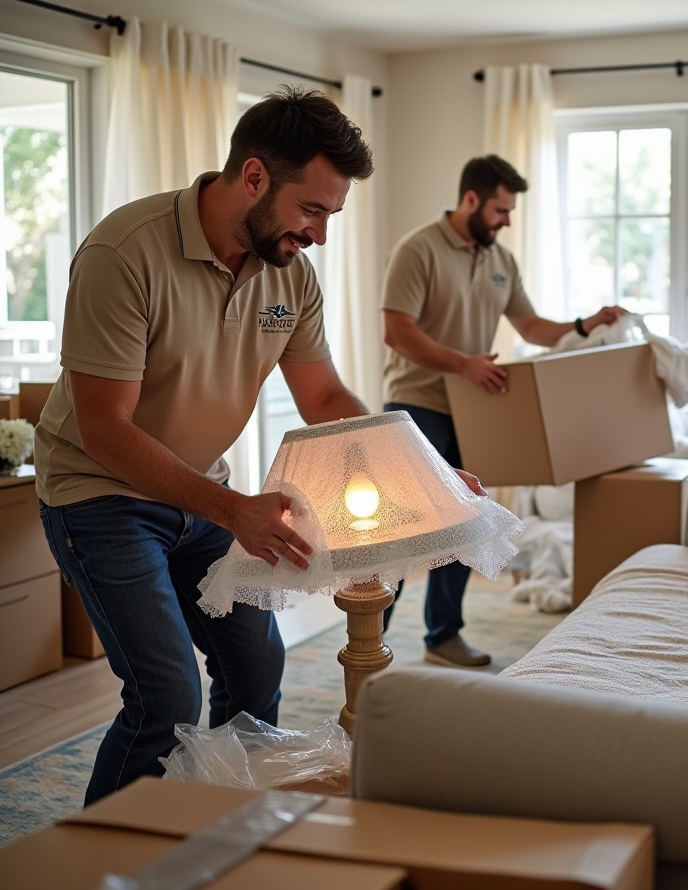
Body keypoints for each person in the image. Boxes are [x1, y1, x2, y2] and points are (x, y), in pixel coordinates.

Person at [33, 86, 481, 805]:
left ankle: (221, 823)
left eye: (332, 216)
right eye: (313, 210)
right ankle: (108, 873)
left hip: (202, 494)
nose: (321, 234)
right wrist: (233, 508)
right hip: (102, 496)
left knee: (255, 668)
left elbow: (326, 399)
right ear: (253, 178)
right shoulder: (125, 252)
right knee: (166, 693)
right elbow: (104, 429)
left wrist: (426, 471)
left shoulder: (290, 276)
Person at [380, 154, 627, 668]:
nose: (507, 220)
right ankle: (369, 634)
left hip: (475, 409)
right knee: (404, 528)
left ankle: (443, 637)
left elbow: (533, 328)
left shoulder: (501, 261)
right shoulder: (418, 249)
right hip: (416, 402)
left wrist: (585, 324)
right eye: (500, 209)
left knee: (466, 520)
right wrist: (461, 364)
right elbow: (397, 331)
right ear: (470, 200)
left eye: (510, 211)